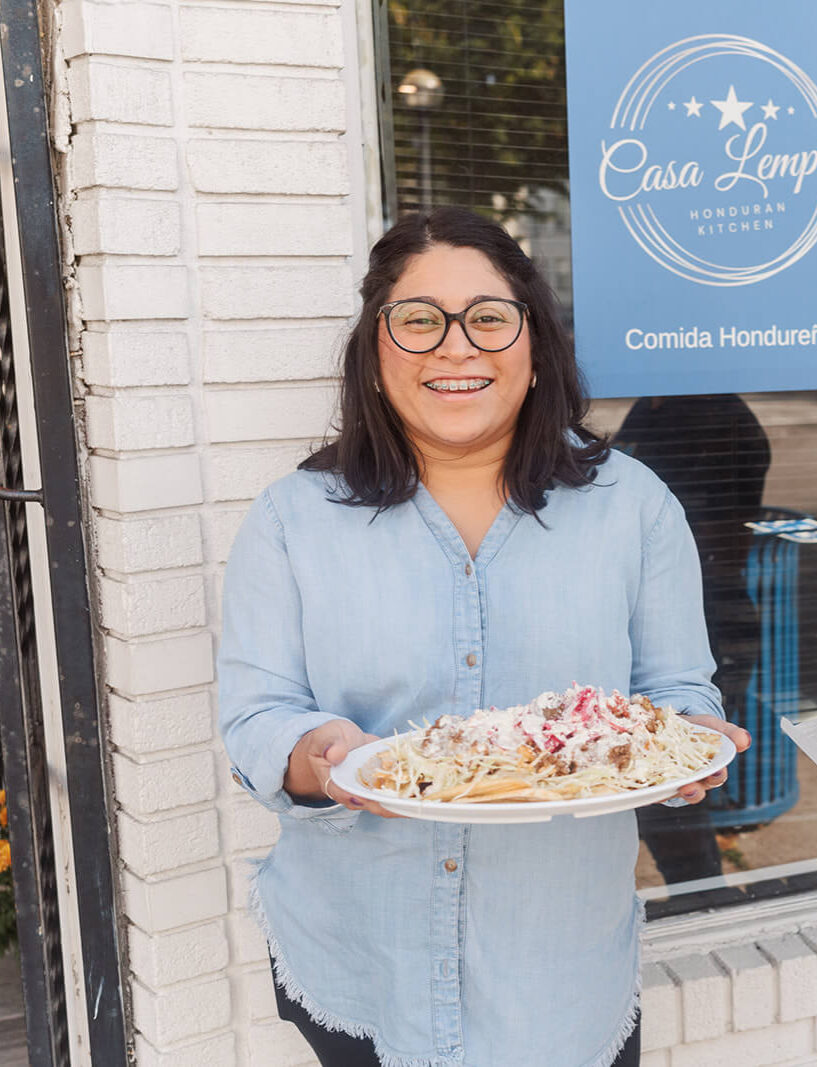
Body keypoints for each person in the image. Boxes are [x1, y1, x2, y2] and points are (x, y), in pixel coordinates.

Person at [217, 206, 749, 1067]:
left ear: (534, 344)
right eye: (418, 320)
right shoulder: (293, 517)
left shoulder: (634, 504)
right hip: (361, 950)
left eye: (488, 318)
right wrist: (316, 753)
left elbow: (677, 690)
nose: (455, 347)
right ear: (376, 350)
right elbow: (256, 711)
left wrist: (686, 743)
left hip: (558, 965)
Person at [614, 395, 771, 884]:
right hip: (686, 606)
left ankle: (701, 893)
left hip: (710, 610)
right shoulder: (653, 411)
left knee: (677, 782)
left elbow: (723, 525)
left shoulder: (719, 421)